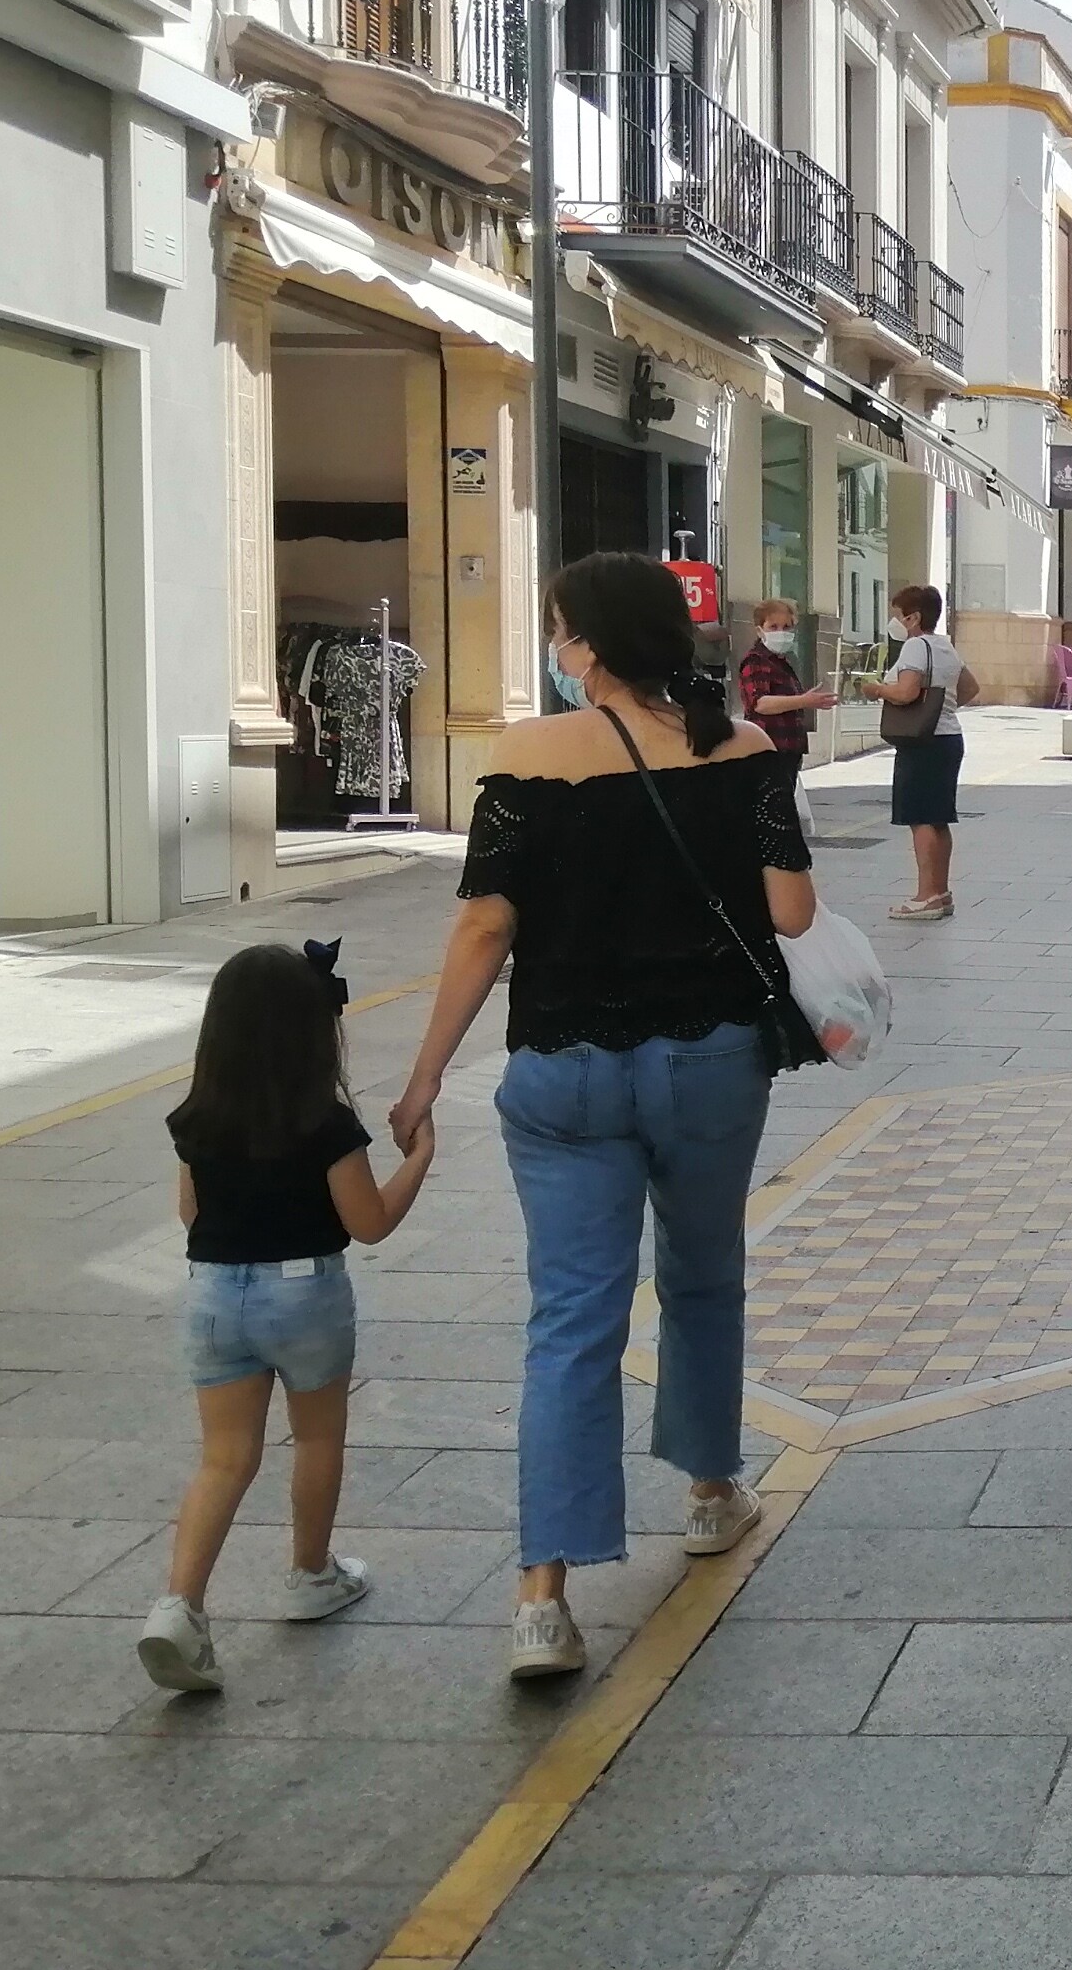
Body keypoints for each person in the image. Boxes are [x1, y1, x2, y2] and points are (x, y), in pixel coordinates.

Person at [390, 553, 818, 1679]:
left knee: (570, 1320)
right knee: (703, 1273)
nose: (557, 651)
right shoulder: (742, 748)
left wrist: (428, 1071)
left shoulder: (526, 758)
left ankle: (543, 1598)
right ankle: (713, 1492)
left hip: (563, 1070)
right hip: (714, 1061)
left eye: (559, 632)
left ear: (586, 643)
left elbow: (485, 928)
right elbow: (792, 907)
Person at [137, 942, 437, 1693]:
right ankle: (309, 1575)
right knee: (317, 1436)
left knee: (224, 1458)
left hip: (213, 1295)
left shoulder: (195, 1119)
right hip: (303, 1295)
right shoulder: (326, 1124)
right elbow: (367, 1223)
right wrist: (419, 1161)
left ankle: (180, 1608)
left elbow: (188, 1213)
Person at [859, 583, 974, 922]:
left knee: (920, 819)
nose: (897, 622)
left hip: (922, 742)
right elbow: (970, 687)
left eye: (899, 616)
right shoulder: (945, 647)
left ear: (914, 617)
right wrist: (943, 707)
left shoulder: (914, 647)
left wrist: (877, 689)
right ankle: (942, 891)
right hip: (949, 737)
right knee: (939, 818)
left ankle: (925, 895)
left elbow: (907, 692)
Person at [735, 602, 835, 790]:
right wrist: (804, 700)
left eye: (787, 627)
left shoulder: (781, 662)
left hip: (788, 749)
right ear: (759, 630)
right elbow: (760, 703)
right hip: (768, 748)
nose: (781, 632)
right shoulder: (756, 660)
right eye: (773, 627)